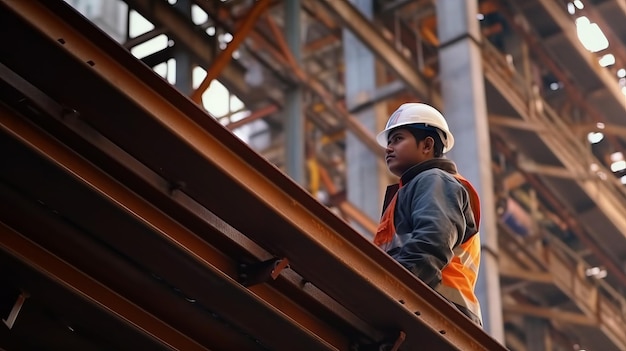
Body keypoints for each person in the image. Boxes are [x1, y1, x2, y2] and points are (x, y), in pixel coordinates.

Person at [373, 102, 483, 326]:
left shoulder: (434, 180)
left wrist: (390, 291)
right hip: (435, 310)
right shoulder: (412, 190)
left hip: (440, 311)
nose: (389, 148)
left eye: (398, 139)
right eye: (389, 141)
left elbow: (432, 242)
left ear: (427, 145)